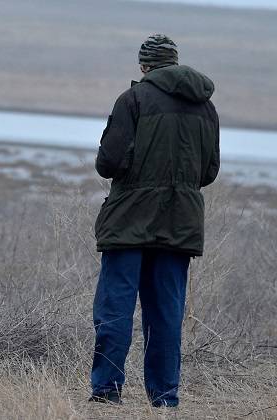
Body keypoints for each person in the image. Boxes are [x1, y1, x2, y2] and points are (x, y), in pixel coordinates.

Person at [89, 34, 220, 407]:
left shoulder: (132, 99)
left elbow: (108, 162)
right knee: (166, 315)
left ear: (144, 66)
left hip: (129, 221)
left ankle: (106, 393)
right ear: (176, 62)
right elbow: (209, 171)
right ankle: (164, 399)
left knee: (115, 310)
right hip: (180, 223)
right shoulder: (206, 107)